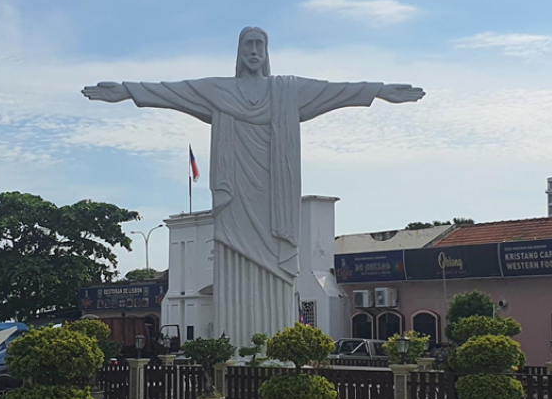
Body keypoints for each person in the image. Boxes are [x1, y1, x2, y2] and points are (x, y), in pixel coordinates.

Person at [82, 27, 424, 348]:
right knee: (234, 265)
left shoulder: (286, 90)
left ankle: (272, 349)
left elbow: (335, 90)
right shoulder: (220, 90)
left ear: (267, 51)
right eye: (249, 45)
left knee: (276, 268)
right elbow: (174, 91)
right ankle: (236, 349)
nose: (255, 51)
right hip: (235, 198)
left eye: (261, 45)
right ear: (239, 52)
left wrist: (378, 90)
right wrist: (127, 90)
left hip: (276, 197)